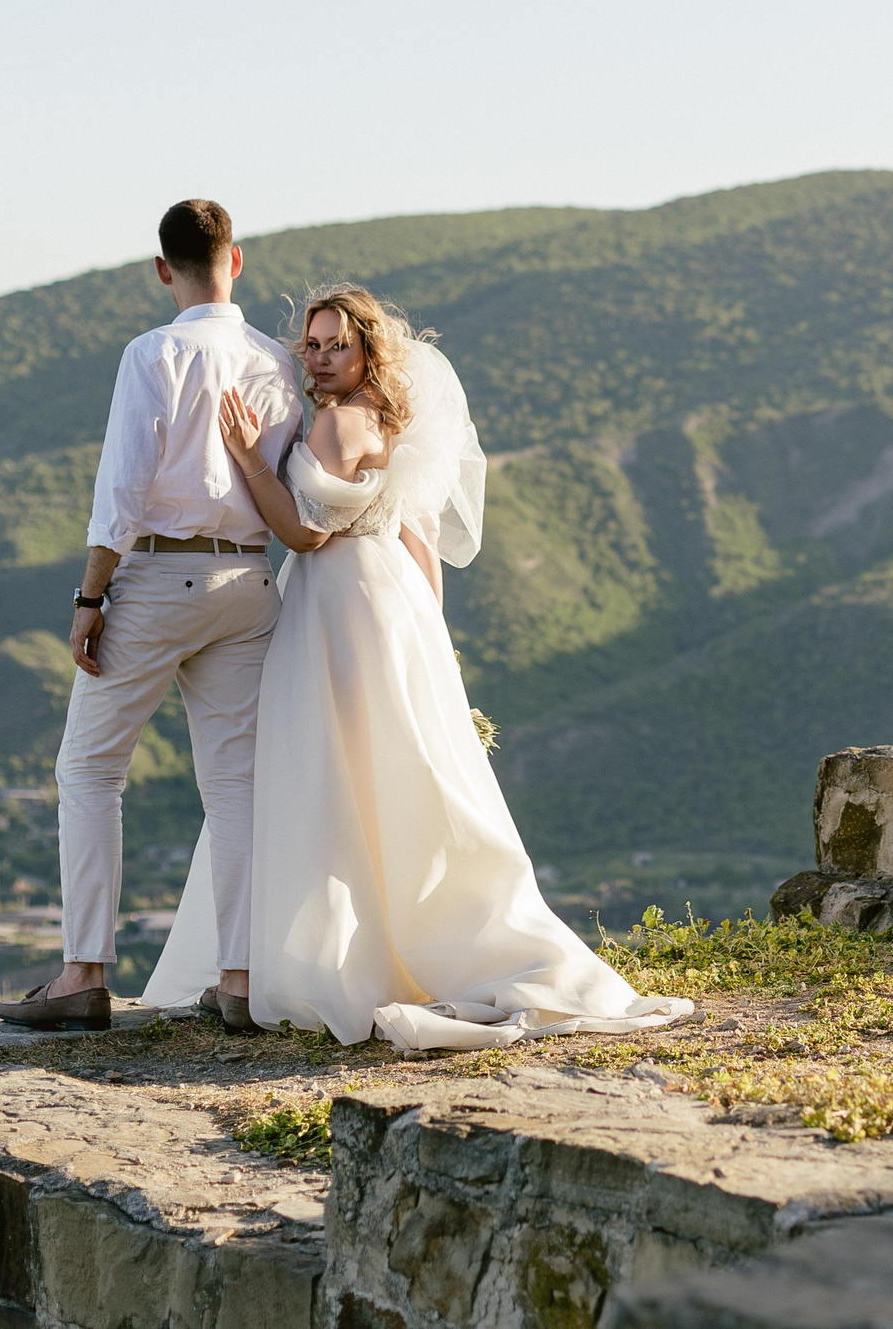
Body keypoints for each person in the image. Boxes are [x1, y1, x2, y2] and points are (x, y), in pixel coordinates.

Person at [138, 284, 689, 1050]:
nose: (319, 358)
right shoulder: (388, 419)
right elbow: (420, 539)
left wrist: (248, 458)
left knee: (326, 775)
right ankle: (390, 940)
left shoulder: (337, 423)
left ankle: (324, 958)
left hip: (335, 604)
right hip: (385, 600)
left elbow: (303, 534)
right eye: (312, 344)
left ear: (368, 349)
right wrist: (432, 639)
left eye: (337, 345)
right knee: (388, 773)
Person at [0, 201, 300, 1032]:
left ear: (163, 269)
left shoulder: (153, 352)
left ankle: (83, 973)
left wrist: (91, 596)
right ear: (237, 260)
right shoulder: (277, 361)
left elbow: (122, 492)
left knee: (90, 769)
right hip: (248, 578)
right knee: (235, 784)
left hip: (159, 579)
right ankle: (240, 981)